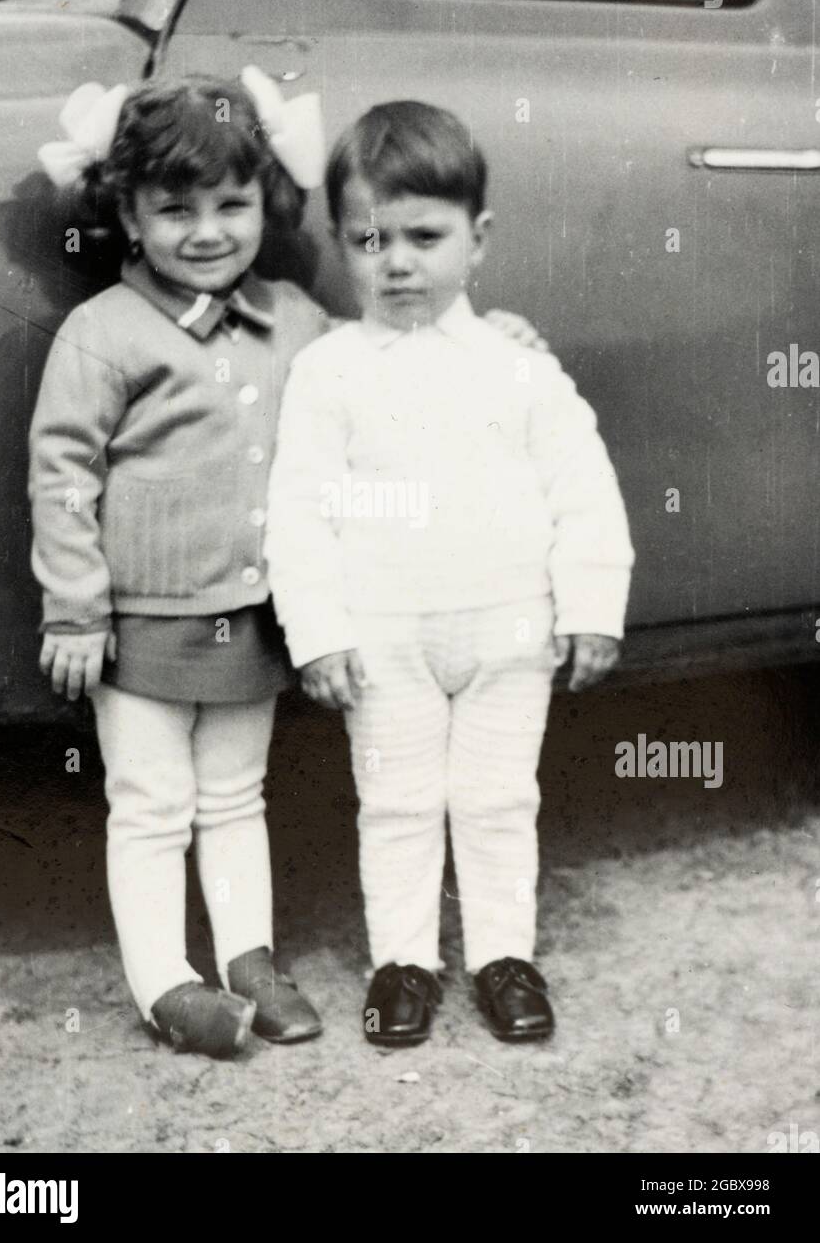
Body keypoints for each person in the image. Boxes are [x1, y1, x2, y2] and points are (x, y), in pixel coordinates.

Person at [265, 101, 635, 1046]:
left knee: (498, 796)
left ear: (478, 240)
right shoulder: (329, 371)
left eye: (424, 237)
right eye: (368, 238)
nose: (396, 263)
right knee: (395, 800)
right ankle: (403, 962)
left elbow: (581, 486)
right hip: (385, 633)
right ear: (340, 243)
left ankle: (504, 955)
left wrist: (591, 605)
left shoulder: (517, 365)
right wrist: (321, 632)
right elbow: (299, 508)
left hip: (509, 626)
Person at [28, 72, 329, 1058]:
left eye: (231, 205)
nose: (206, 231)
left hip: (249, 614)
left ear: (265, 203)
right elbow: (62, 475)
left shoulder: (290, 319)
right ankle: (165, 980)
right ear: (126, 212)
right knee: (152, 805)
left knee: (237, 793)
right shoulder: (104, 333)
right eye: (174, 210)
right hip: (140, 620)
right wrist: (75, 609)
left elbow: (362, 397)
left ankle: (248, 954)